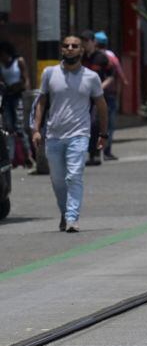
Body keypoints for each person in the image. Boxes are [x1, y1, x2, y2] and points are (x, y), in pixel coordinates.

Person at [32, 35, 108, 232]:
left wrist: (103, 133)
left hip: (79, 134)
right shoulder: (49, 73)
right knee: (57, 180)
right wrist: (36, 129)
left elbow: (101, 106)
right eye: (66, 46)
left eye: (75, 46)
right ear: (62, 49)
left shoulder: (91, 77)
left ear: (82, 51)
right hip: (54, 136)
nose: (70, 48)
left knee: (73, 176)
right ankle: (65, 213)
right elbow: (41, 102)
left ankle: (72, 217)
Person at [79, 30, 113, 166]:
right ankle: (85, 153)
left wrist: (101, 87)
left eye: (87, 42)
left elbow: (111, 76)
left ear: (93, 42)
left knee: (94, 124)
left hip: (98, 98)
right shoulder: (80, 58)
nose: (85, 45)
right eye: (83, 42)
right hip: (83, 97)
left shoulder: (102, 58)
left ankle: (95, 154)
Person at [94, 31, 127, 161]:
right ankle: (106, 151)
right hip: (109, 95)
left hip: (95, 96)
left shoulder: (92, 57)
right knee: (110, 124)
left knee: (95, 122)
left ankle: (95, 151)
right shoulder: (111, 56)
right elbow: (119, 74)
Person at [0, 41, 30, 164]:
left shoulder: (19, 61)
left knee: (20, 128)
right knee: (9, 128)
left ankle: (28, 155)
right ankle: (11, 158)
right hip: (7, 97)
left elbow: (26, 79)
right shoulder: (1, 65)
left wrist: (26, 93)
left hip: (18, 96)